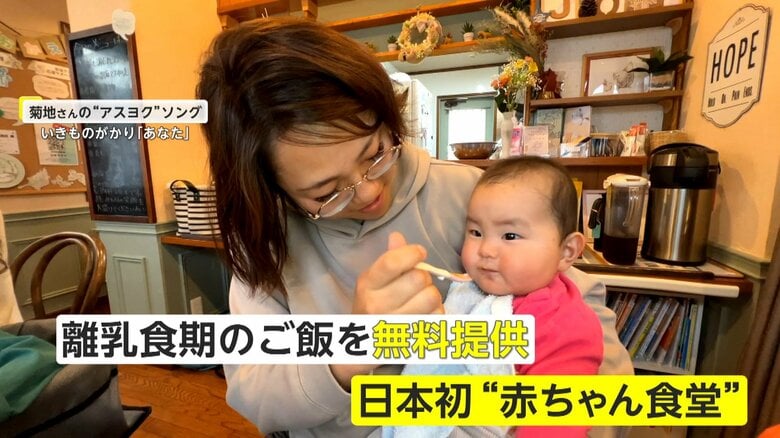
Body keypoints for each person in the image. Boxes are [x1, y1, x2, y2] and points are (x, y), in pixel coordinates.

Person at [196, 17, 633, 438]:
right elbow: (253, 392)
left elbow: (582, 321)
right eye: (327, 192)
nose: (369, 192)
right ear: (273, 190)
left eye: (375, 153)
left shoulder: (473, 197)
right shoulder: (265, 241)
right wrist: (352, 351)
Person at [387, 157, 602, 438]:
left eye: (510, 236)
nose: (486, 249)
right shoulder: (467, 291)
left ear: (567, 251)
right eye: (476, 232)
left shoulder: (563, 325)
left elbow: (557, 418)